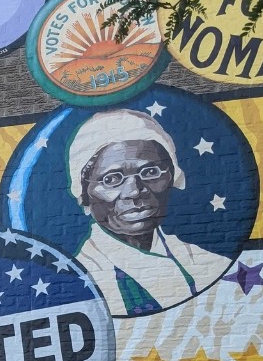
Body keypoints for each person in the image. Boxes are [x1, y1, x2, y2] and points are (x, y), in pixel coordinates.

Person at [67, 109, 230, 316]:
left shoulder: (211, 265)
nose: (134, 190)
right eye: (111, 179)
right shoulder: (80, 282)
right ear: (84, 195)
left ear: (172, 178)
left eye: (150, 172)